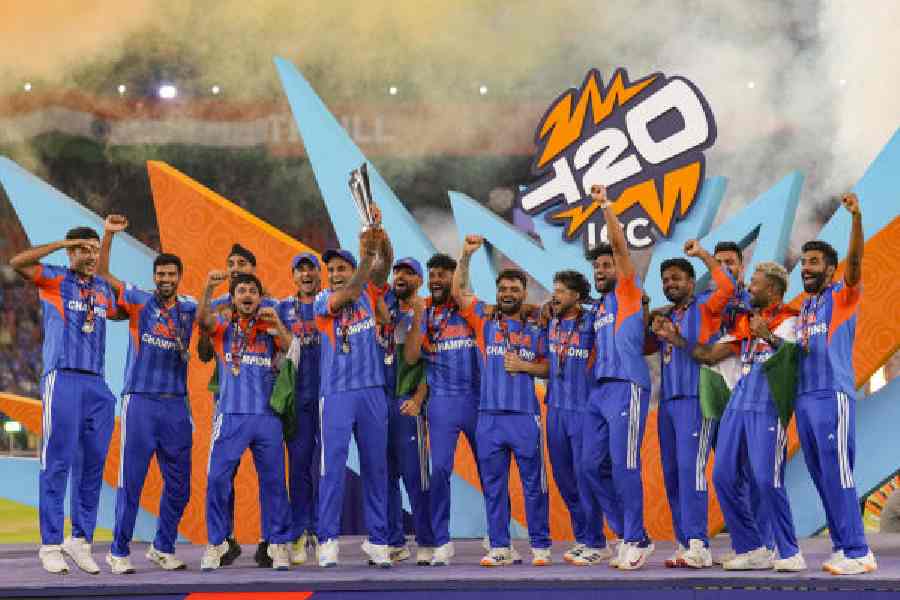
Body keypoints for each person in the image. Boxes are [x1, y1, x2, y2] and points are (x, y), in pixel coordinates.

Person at [10, 227, 117, 574]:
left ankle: (80, 540)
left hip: (97, 385)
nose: (89, 255)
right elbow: (17, 262)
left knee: (93, 466)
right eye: (82, 250)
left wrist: (108, 239)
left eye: (94, 250)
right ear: (71, 254)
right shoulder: (53, 278)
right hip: (63, 377)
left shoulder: (102, 289)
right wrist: (62, 244)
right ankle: (51, 544)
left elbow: (118, 305)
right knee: (57, 462)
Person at [97, 214, 195, 573]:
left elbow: (216, 320)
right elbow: (104, 275)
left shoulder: (189, 308)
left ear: (179, 277)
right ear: (155, 277)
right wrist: (108, 236)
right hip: (140, 401)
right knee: (132, 481)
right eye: (161, 274)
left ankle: (163, 546)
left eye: (171, 274)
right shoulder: (139, 300)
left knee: (180, 485)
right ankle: (118, 551)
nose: (166, 279)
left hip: (176, 406)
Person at [452, 235, 552, 567]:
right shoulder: (484, 319)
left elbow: (552, 367)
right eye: (503, 290)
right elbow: (458, 292)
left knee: (533, 485)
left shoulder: (537, 326)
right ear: (497, 293)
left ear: (524, 293)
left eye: (514, 290)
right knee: (493, 486)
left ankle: (540, 544)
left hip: (524, 416)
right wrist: (465, 255)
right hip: (489, 417)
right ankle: (500, 546)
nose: (508, 294)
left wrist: (526, 366)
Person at [700, 262, 806, 572]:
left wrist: (769, 338)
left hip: (766, 405)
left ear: (772, 289)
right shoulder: (750, 320)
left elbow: (793, 359)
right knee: (722, 475)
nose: (750, 289)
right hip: (738, 402)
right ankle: (751, 547)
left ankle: (788, 551)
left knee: (766, 478)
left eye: (755, 284)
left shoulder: (790, 319)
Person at [795, 192, 877, 575]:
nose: (806, 268)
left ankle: (860, 551)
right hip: (805, 399)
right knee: (821, 475)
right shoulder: (806, 306)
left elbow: (856, 262)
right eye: (804, 262)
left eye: (814, 263)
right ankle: (843, 546)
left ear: (830, 270)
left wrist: (857, 218)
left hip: (833, 396)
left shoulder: (842, 296)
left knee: (840, 472)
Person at [197, 271, 294, 571]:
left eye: (253, 290)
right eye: (242, 291)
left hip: (267, 417)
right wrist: (210, 288)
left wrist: (277, 324)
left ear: (261, 297)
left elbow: (293, 351)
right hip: (230, 415)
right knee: (216, 479)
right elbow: (203, 321)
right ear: (233, 298)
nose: (248, 295)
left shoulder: (270, 328)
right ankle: (217, 543)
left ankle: (277, 543)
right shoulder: (224, 326)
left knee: (275, 483)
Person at [647, 240, 734, 568]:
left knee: (690, 469)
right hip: (668, 402)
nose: (670, 284)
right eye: (665, 280)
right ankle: (684, 542)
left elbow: (728, 284)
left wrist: (700, 254)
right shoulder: (666, 316)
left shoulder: (706, 306)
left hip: (698, 399)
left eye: (676, 279)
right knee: (671, 474)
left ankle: (699, 543)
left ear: (690, 281)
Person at [581, 184, 654, 570]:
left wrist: (605, 206)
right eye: (596, 267)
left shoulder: (628, 291)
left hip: (628, 387)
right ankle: (627, 532)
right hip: (599, 393)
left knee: (625, 464)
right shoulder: (596, 309)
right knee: (590, 466)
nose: (601, 270)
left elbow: (619, 245)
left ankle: (636, 537)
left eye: (606, 264)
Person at [314, 232, 393, 568]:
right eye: (330, 269)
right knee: (332, 469)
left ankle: (378, 541)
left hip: (372, 389)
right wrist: (365, 259)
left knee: (377, 467)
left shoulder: (370, 292)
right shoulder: (321, 301)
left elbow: (385, 264)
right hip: (336, 394)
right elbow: (350, 292)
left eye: (340, 268)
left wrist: (379, 234)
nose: (334, 274)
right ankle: (327, 540)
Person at [404, 253, 483, 566]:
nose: (437, 281)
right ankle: (441, 540)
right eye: (432, 275)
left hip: (477, 400)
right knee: (439, 471)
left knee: (490, 470)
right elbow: (411, 358)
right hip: (442, 403)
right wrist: (419, 318)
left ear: (454, 278)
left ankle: (500, 539)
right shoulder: (423, 310)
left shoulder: (469, 306)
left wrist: (464, 256)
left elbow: (463, 287)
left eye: (443, 275)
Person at [544, 270, 622, 567]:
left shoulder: (591, 321)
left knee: (584, 476)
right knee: (564, 478)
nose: (555, 295)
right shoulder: (549, 320)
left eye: (562, 291)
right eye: (555, 290)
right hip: (555, 408)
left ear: (577, 296)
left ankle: (597, 541)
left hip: (583, 409)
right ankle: (583, 536)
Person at [706, 241, 775, 564]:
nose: (724, 267)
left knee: (756, 471)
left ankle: (766, 542)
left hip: (751, 396)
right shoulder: (708, 306)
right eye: (718, 262)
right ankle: (748, 546)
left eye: (729, 262)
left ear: (741, 267)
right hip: (717, 399)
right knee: (726, 474)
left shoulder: (755, 303)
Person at [374, 255, 435, 565]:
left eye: (409, 273)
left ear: (419, 281)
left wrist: (420, 398)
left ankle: (426, 541)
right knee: (383, 475)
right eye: (398, 271)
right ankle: (394, 542)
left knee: (415, 476)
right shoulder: (384, 304)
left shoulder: (428, 313)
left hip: (406, 402)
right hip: (377, 402)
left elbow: (431, 364)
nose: (401, 276)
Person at [276, 253, 323, 565]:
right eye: (300, 270)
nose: (305, 274)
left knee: (325, 469)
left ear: (319, 275)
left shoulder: (329, 303)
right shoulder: (280, 308)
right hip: (298, 400)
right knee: (299, 467)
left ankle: (322, 531)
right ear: (293, 276)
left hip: (330, 397)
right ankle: (299, 532)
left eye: (310, 269)